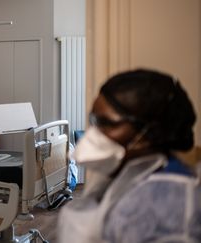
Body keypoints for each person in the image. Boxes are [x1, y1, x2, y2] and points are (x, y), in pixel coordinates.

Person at [57, 69, 201, 243]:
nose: (93, 134)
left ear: (148, 133)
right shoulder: (131, 175)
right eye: (94, 121)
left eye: (107, 123)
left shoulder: (162, 206)